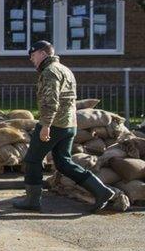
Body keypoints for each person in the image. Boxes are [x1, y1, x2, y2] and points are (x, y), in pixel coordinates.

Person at [12, 40, 116, 212]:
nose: (31, 59)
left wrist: (45, 125)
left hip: (54, 124)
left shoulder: (49, 72)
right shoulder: (65, 69)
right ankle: (101, 191)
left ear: (43, 54)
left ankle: (32, 201)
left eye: (33, 55)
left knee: (32, 160)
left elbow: (50, 101)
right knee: (63, 162)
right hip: (69, 124)